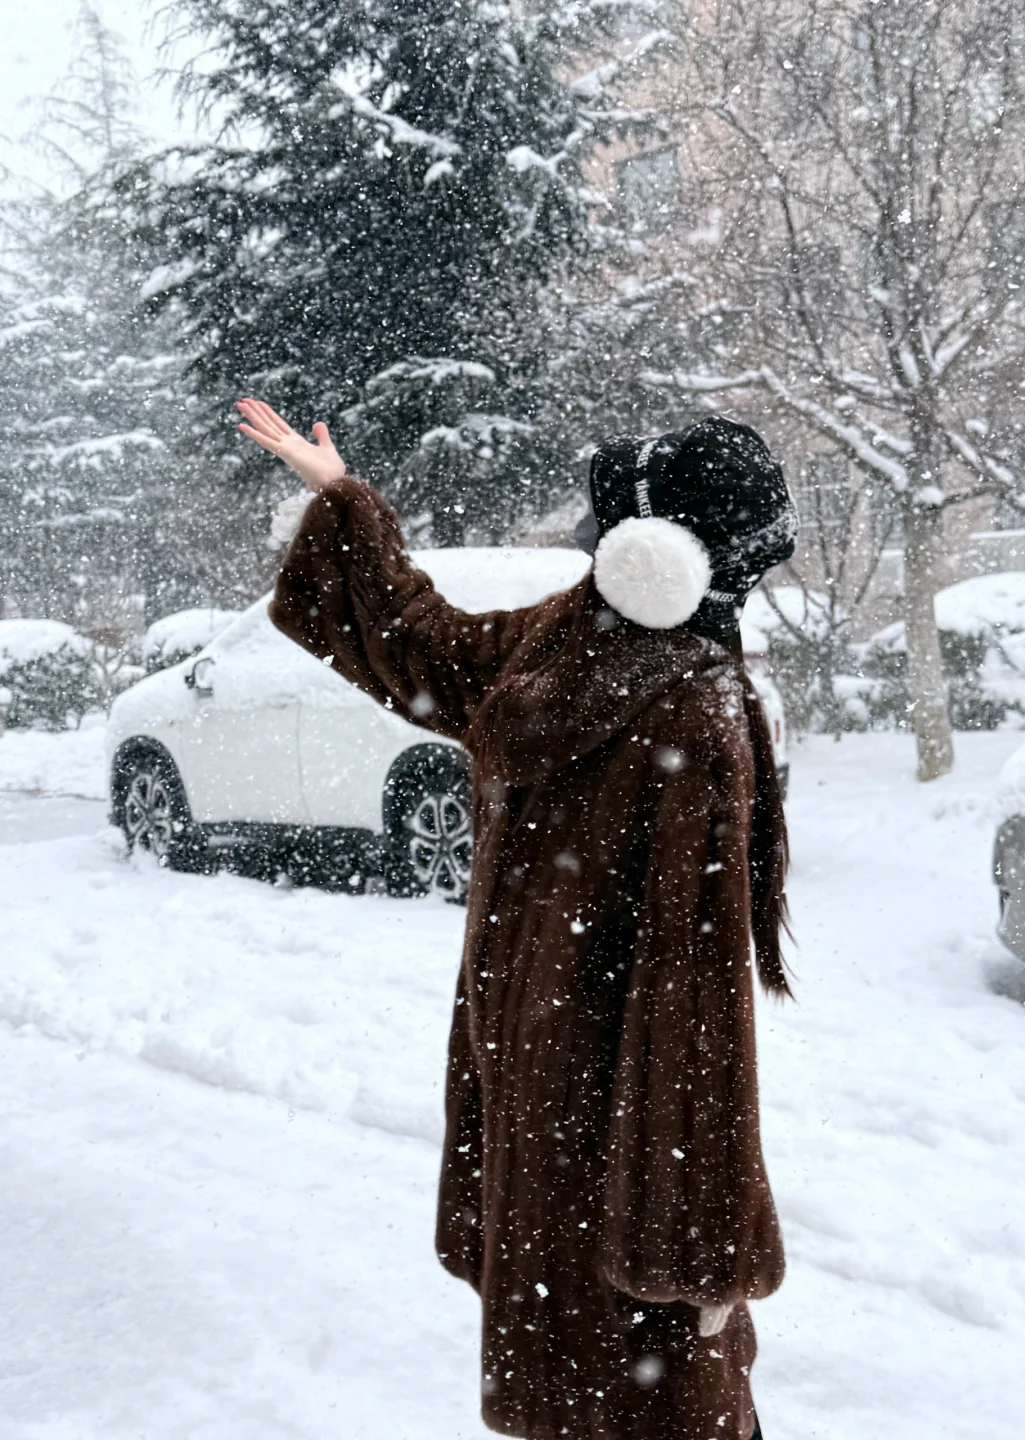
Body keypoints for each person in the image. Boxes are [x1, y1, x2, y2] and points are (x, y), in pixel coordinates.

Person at [237, 397, 797, 1440]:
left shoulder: (584, 655)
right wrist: (705, 1239)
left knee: (584, 1376)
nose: (591, 550)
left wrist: (350, 510)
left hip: (555, 1103)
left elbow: (418, 648)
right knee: (655, 1394)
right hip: (628, 1144)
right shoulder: (656, 683)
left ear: (653, 555)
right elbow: (696, 1018)